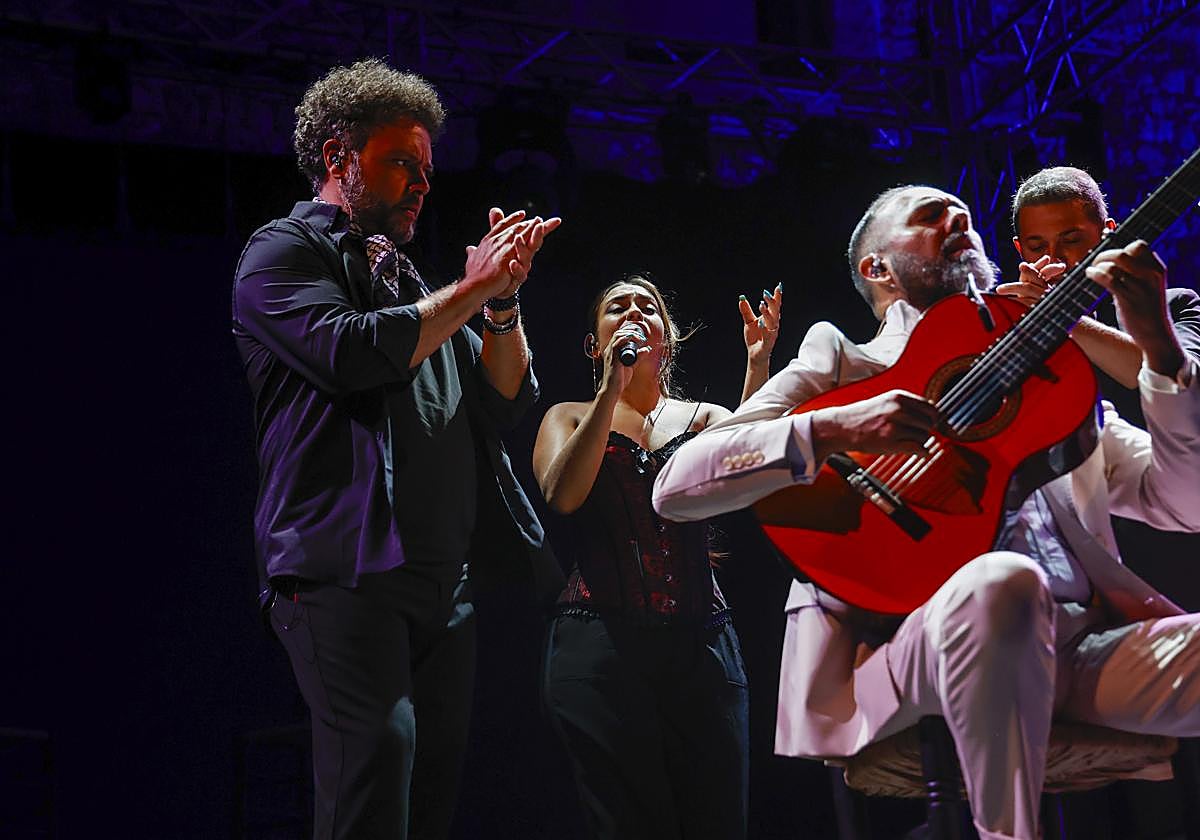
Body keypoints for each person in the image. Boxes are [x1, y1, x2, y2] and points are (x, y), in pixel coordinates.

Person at [651, 185, 1200, 840]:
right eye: (929, 214)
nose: (959, 216)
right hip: (907, 652)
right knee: (1001, 582)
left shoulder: (1054, 382)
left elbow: (1186, 501)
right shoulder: (844, 360)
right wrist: (834, 428)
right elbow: (676, 488)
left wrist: (1161, 355)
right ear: (876, 268)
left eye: (962, 210)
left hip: (1079, 654)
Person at [232, 59, 562, 839]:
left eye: (426, 169)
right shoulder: (280, 255)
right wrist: (470, 293)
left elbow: (506, 399)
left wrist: (502, 303)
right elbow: (352, 353)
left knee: (429, 797)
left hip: (442, 588)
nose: (420, 183)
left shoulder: (415, 280)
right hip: (343, 572)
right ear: (341, 155)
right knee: (378, 767)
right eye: (400, 163)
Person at [532, 273, 783, 839]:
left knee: (716, 819)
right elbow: (562, 495)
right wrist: (609, 392)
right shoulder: (567, 417)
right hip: (599, 647)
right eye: (615, 308)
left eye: (647, 307)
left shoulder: (704, 417)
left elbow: (750, 467)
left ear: (666, 341)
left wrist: (758, 368)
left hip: (703, 646)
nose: (632, 314)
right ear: (595, 344)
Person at [999, 164, 1200, 394]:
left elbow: (1182, 388)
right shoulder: (1005, 331)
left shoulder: (1176, 305)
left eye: (1072, 240)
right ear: (1019, 248)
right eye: (1036, 246)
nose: (1054, 258)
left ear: (1107, 235)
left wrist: (1059, 315)